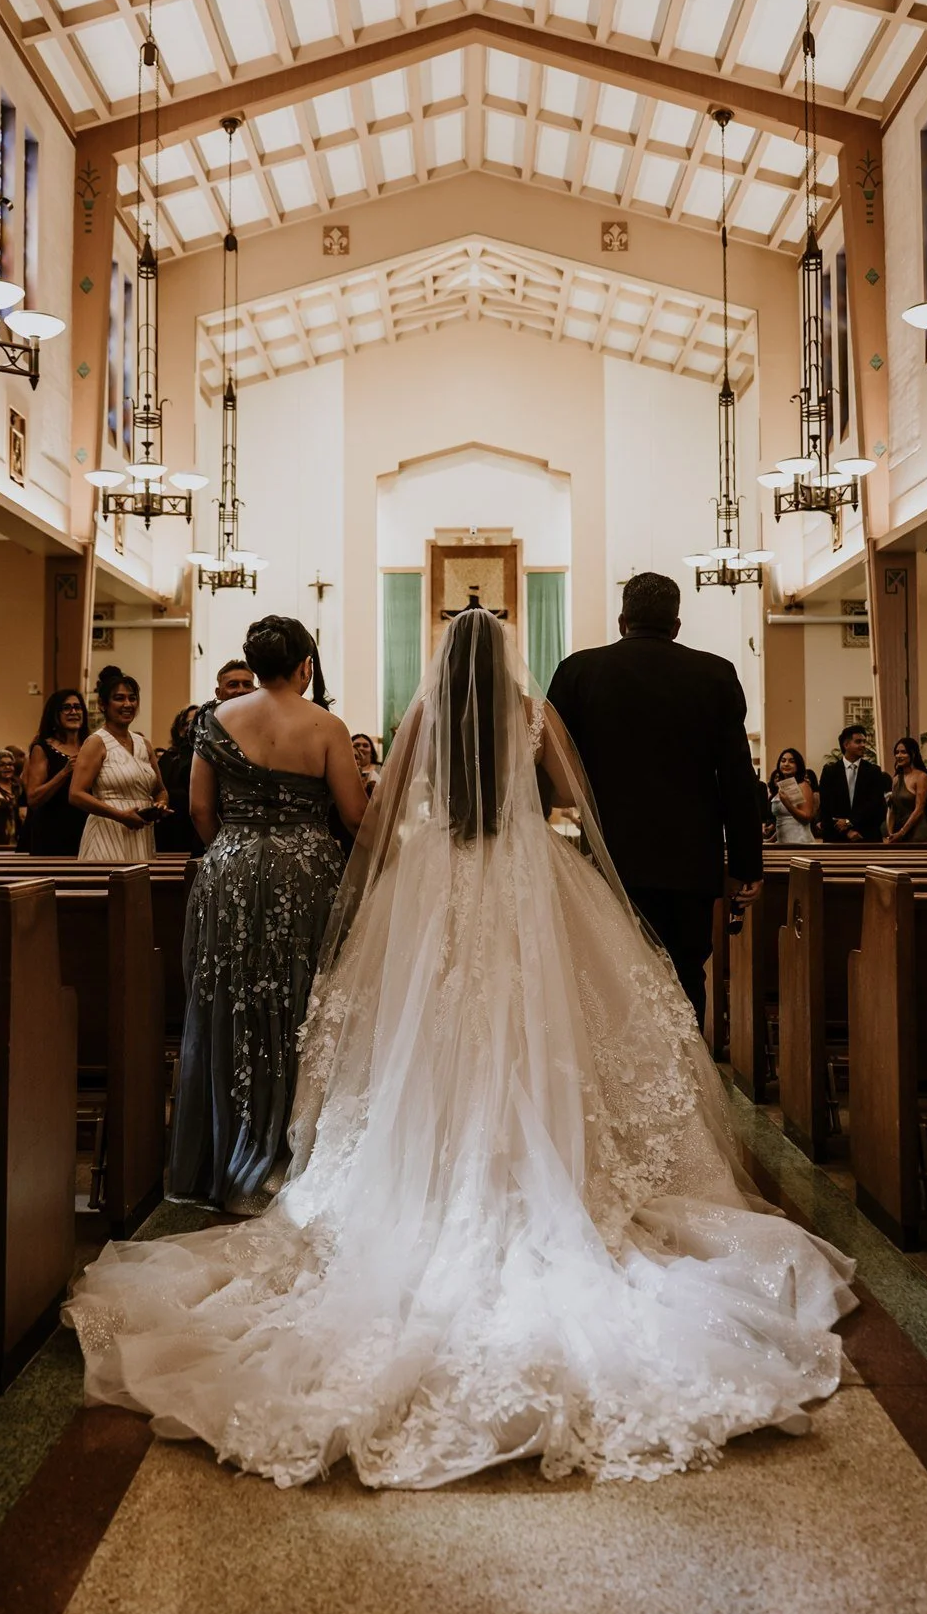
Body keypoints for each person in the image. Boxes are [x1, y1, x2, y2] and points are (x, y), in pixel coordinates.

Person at [67, 608, 854, 1489]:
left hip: (438, 881)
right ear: (507, 659)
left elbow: (381, 809)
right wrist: (528, 815)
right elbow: (572, 803)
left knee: (423, 1034)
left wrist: (408, 853)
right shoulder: (534, 714)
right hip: (524, 882)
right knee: (535, 1032)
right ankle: (538, 1164)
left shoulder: (420, 718)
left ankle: (423, 1172)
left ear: (443, 661)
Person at [167, 616, 370, 1212]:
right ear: (306, 664)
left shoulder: (216, 720)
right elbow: (355, 816)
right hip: (304, 872)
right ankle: (289, 1153)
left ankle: (224, 1154)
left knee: (228, 1001)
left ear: (254, 665)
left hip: (228, 868)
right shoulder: (326, 725)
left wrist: (235, 849)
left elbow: (200, 808)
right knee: (302, 1000)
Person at [546, 572, 761, 1029]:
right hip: (690, 863)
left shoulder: (578, 671)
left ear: (622, 620)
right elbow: (738, 777)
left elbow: (550, 763)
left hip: (609, 860)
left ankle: (624, 1092)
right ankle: (687, 1089)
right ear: (677, 625)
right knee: (685, 978)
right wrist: (746, 865)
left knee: (610, 979)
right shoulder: (715, 673)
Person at [70, 666, 168, 863]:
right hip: (108, 832)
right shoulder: (96, 742)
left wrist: (160, 805)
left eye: (132, 698)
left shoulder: (144, 743)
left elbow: (160, 790)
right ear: (102, 705)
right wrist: (120, 815)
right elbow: (76, 794)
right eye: (119, 698)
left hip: (140, 832)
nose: (128, 704)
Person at [22, 690, 89, 856]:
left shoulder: (91, 746)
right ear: (54, 714)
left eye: (77, 707)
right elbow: (33, 798)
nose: (73, 712)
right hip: (53, 831)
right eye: (66, 708)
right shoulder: (43, 748)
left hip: (86, 828)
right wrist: (64, 773)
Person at [816, 726, 890, 844]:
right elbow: (826, 807)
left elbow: (876, 805)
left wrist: (850, 822)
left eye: (864, 742)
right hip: (837, 838)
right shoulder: (830, 772)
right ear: (846, 745)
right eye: (858, 741)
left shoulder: (873, 771)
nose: (863, 745)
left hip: (866, 836)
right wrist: (846, 831)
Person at [156, 704, 202, 855]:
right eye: (190, 723)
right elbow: (159, 790)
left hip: (198, 831)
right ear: (181, 729)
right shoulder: (168, 759)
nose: (195, 727)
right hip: (171, 830)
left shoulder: (212, 759)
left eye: (201, 721)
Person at [885, 737, 927, 843]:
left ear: (913, 754)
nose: (899, 756)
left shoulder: (922, 777)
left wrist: (902, 832)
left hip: (918, 832)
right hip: (898, 832)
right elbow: (892, 809)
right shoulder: (896, 779)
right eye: (897, 752)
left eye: (903, 752)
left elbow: (919, 809)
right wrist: (890, 833)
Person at [766, 747, 818, 844]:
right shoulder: (782, 786)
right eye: (783, 761)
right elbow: (783, 822)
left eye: (791, 761)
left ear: (798, 765)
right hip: (782, 842)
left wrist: (787, 804)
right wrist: (770, 840)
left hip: (799, 841)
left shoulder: (803, 785)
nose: (786, 764)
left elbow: (806, 818)